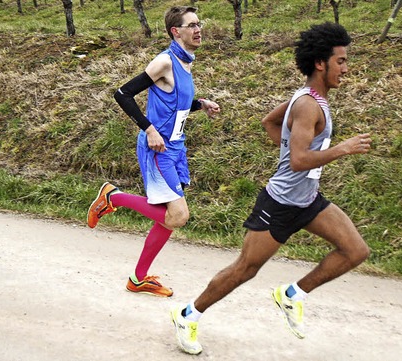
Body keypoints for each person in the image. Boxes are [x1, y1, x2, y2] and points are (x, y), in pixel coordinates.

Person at [170, 22, 372, 355]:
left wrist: (290, 151)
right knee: (245, 269)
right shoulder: (308, 105)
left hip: (307, 200)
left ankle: (293, 294)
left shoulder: (309, 98)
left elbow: (270, 122)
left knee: (355, 251)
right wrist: (341, 149)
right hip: (279, 204)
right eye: (341, 61)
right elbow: (297, 160)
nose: (346, 69)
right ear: (320, 63)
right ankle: (187, 314)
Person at [87, 6, 220, 297]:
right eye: (192, 25)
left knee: (168, 216)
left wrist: (200, 104)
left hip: (176, 148)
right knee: (178, 215)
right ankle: (114, 197)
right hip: (157, 148)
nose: (199, 29)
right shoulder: (165, 61)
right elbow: (122, 93)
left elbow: (174, 102)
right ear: (176, 31)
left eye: (199, 23)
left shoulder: (186, 62)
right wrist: (149, 129)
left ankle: (138, 279)